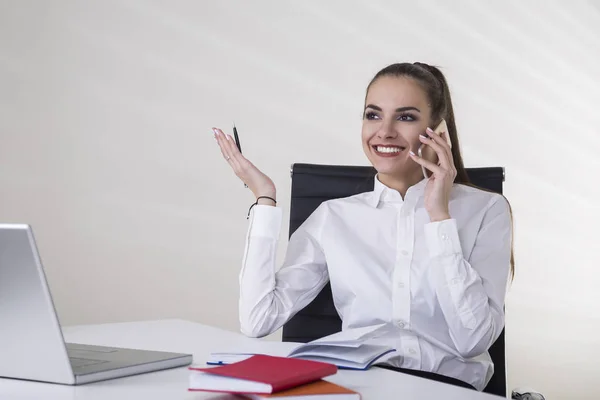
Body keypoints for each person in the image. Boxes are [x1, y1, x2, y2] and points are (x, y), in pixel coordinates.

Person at [212, 62, 513, 392]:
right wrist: (265, 198)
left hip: (447, 390)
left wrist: (439, 217)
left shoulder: (486, 210)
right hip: (359, 388)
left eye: (406, 116)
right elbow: (257, 320)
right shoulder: (334, 217)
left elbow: (473, 341)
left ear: (437, 131)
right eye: (373, 115)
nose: (384, 131)